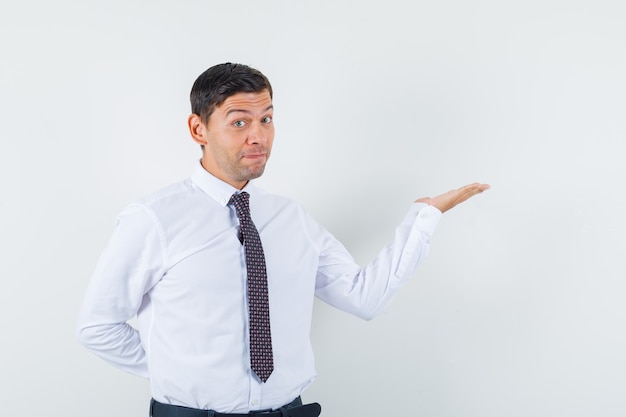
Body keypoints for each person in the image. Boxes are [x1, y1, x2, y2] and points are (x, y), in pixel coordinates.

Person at [77, 62, 489, 417]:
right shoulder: (154, 219)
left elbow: (364, 298)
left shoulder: (290, 218)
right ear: (197, 128)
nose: (258, 136)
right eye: (239, 122)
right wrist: (182, 370)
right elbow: (99, 326)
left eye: (266, 119)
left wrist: (425, 218)